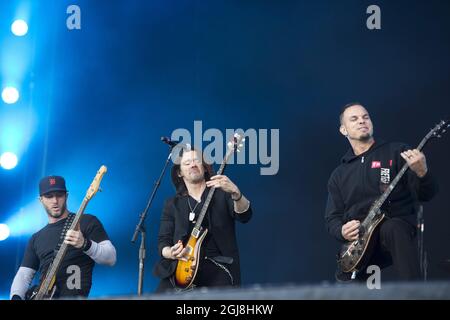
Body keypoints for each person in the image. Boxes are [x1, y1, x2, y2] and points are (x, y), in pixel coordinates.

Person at [325, 102, 438, 281]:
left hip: (392, 228)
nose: (362, 121)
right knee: (346, 281)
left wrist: (422, 172)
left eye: (365, 117)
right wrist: (342, 231)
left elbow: (427, 194)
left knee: (393, 228)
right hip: (359, 243)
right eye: (354, 119)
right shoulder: (338, 174)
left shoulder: (397, 152)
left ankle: (416, 292)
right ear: (343, 130)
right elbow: (332, 218)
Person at [153, 146, 252, 291]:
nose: (192, 164)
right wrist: (170, 252)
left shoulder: (222, 193)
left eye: (196, 161)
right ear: (180, 173)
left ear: (205, 168)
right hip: (181, 267)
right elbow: (163, 241)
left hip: (217, 266)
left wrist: (236, 193)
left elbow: (245, 216)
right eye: (187, 163)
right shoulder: (172, 204)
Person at [10, 175, 116, 299]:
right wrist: (16, 296)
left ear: (66, 196)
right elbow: (24, 274)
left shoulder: (87, 221)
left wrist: (85, 244)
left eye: (59, 195)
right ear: (41, 200)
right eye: (49, 196)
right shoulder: (36, 238)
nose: (55, 201)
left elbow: (111, 258)